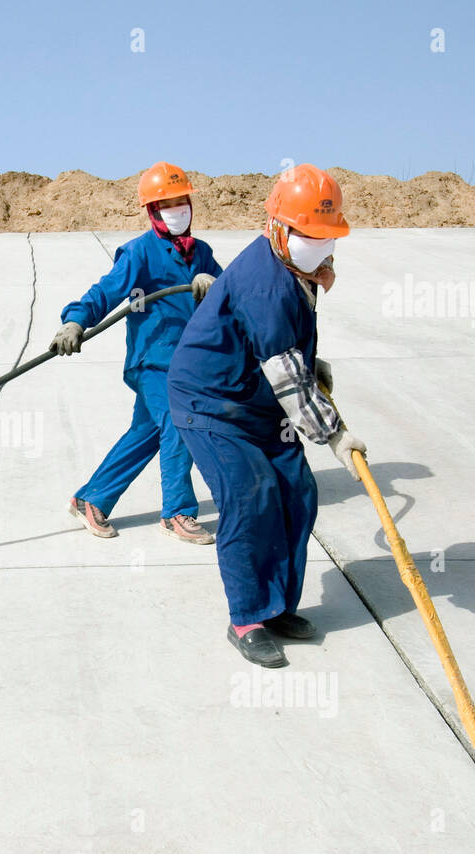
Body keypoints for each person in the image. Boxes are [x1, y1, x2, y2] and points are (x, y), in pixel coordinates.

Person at [167, 163, 367, 668]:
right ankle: (247, 618)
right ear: (278, 227)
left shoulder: (298, 268)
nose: (315, 243)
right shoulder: (266, 282)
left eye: (324, 235)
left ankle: (277, 607)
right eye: (305, 233)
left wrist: (307, 359)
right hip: (210, 403)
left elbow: (284, 348)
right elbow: (284, 372)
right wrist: (337, 435)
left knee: (297, 493)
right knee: (251, 497)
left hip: (256, 398)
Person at [51, 162, 223, 544]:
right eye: (168, 204)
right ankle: (178, 512)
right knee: (182, 422)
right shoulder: (140, 253)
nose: (178, 209)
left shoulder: (202, 254)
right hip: (153, 363)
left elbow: (232, 299)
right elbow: (106, 291)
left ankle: (90, 498)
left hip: (188, 364)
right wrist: (75, 321)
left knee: (146, 434)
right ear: (153, 211)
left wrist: (215, 284)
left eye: (183, 201)